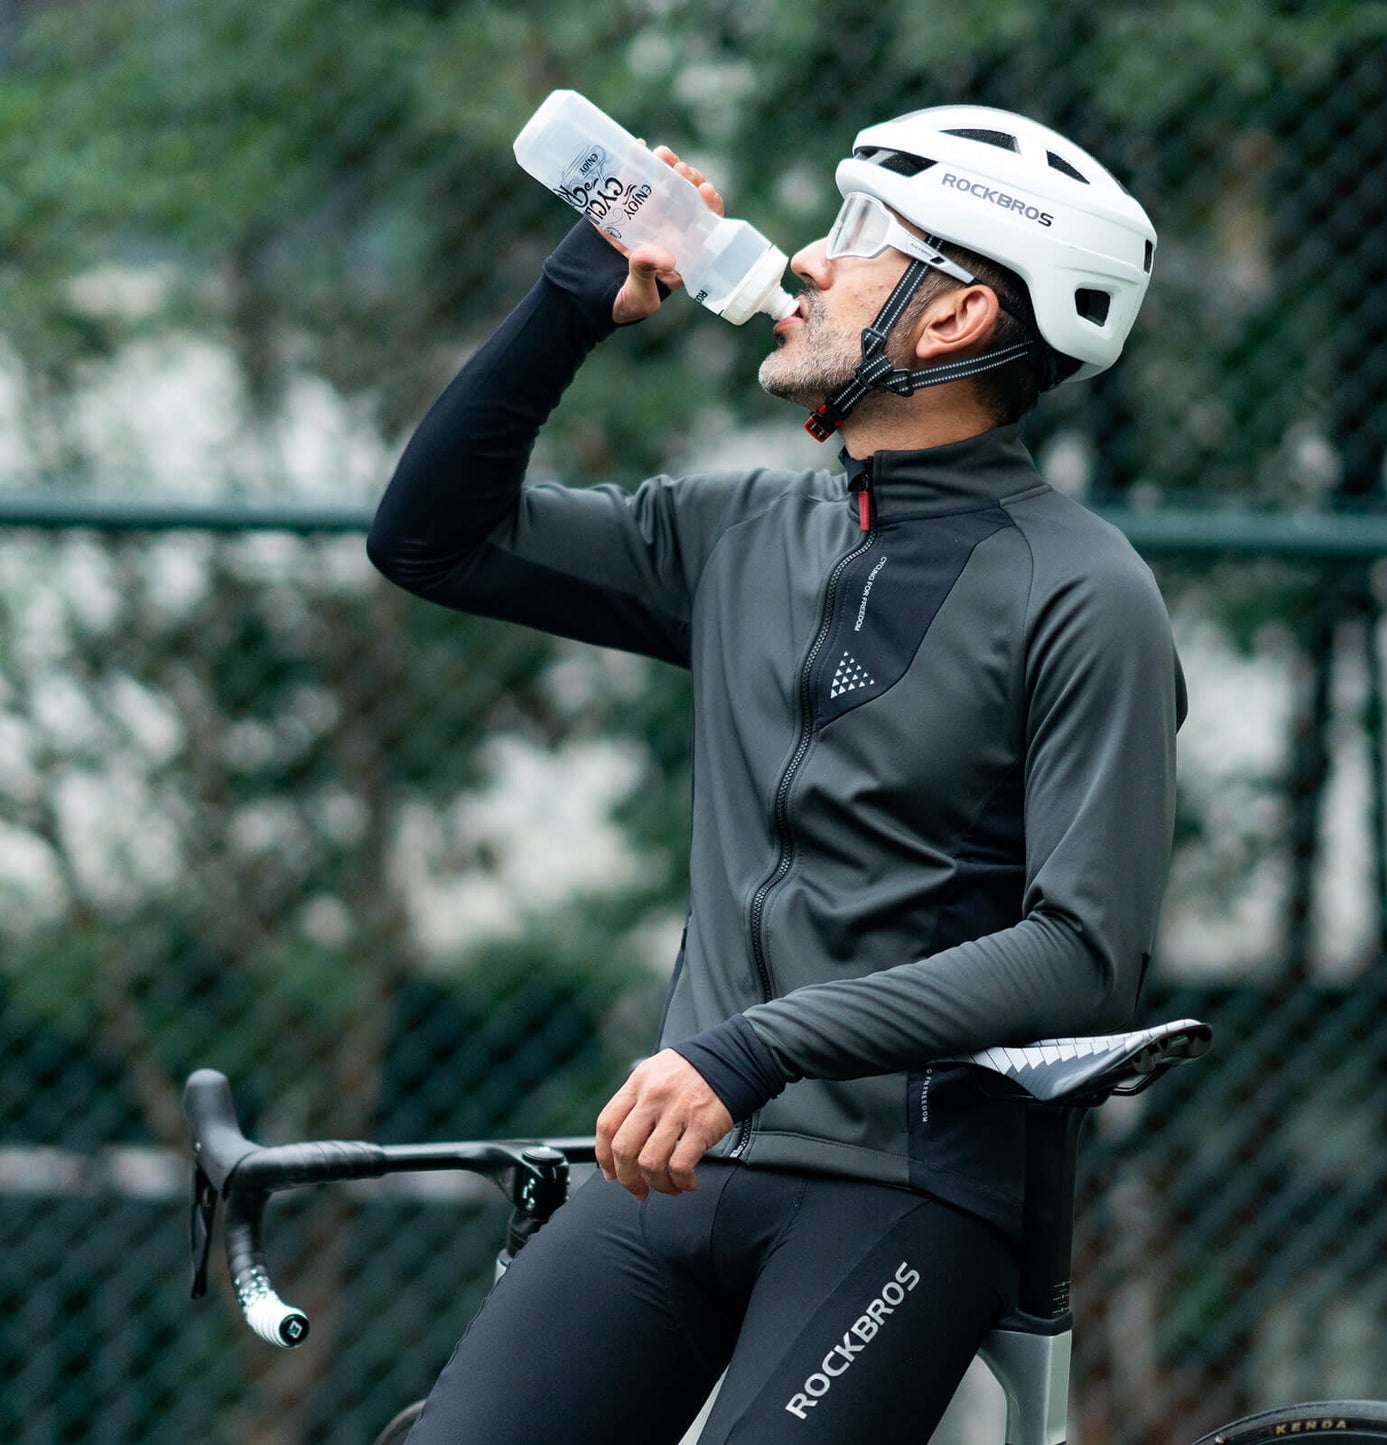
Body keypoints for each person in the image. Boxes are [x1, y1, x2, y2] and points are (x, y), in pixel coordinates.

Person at [368, 103, 1184, 1445]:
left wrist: (753, 1048)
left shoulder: (1085, 593)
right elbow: (429, 538)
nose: (804, 259)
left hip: (902, 1187)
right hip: (672, 1171)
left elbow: (1081, 950)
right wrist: (574, 294)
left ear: (952, 320)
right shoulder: (739, 528)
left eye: (860, 236)